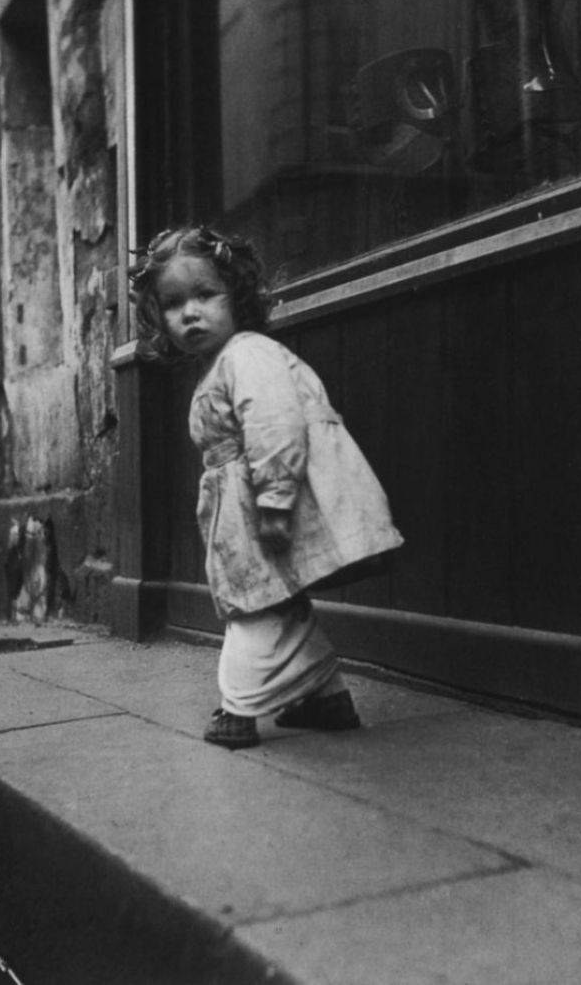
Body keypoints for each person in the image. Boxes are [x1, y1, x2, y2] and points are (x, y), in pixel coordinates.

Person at [128, 225, 403, 750]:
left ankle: (239, 706)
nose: (190, 313)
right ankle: (326, 696)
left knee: (255, 605)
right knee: (278, 597)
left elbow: (276, 426)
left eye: (205, 295)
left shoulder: (248, 354)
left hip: (269, 500)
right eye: (173, 303)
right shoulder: (216, 366)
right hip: (241, 507)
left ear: (237, 297)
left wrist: (276, 500)